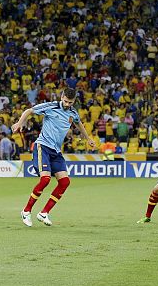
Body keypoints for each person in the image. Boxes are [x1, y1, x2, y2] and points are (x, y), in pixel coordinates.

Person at [14, 87, 96, 227]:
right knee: (45, 179)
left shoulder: (73, 112)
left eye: (70, 102)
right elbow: (29, 111)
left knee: (65, 182)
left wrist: (88, 138)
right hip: (43, 147)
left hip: (56, 152)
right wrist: (19, 123)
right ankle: (26, 211)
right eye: (65, 101)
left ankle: (44, 213)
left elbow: (78, 123)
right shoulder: (51, 106)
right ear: (61, 96)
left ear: (74, 101)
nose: (67, 104)